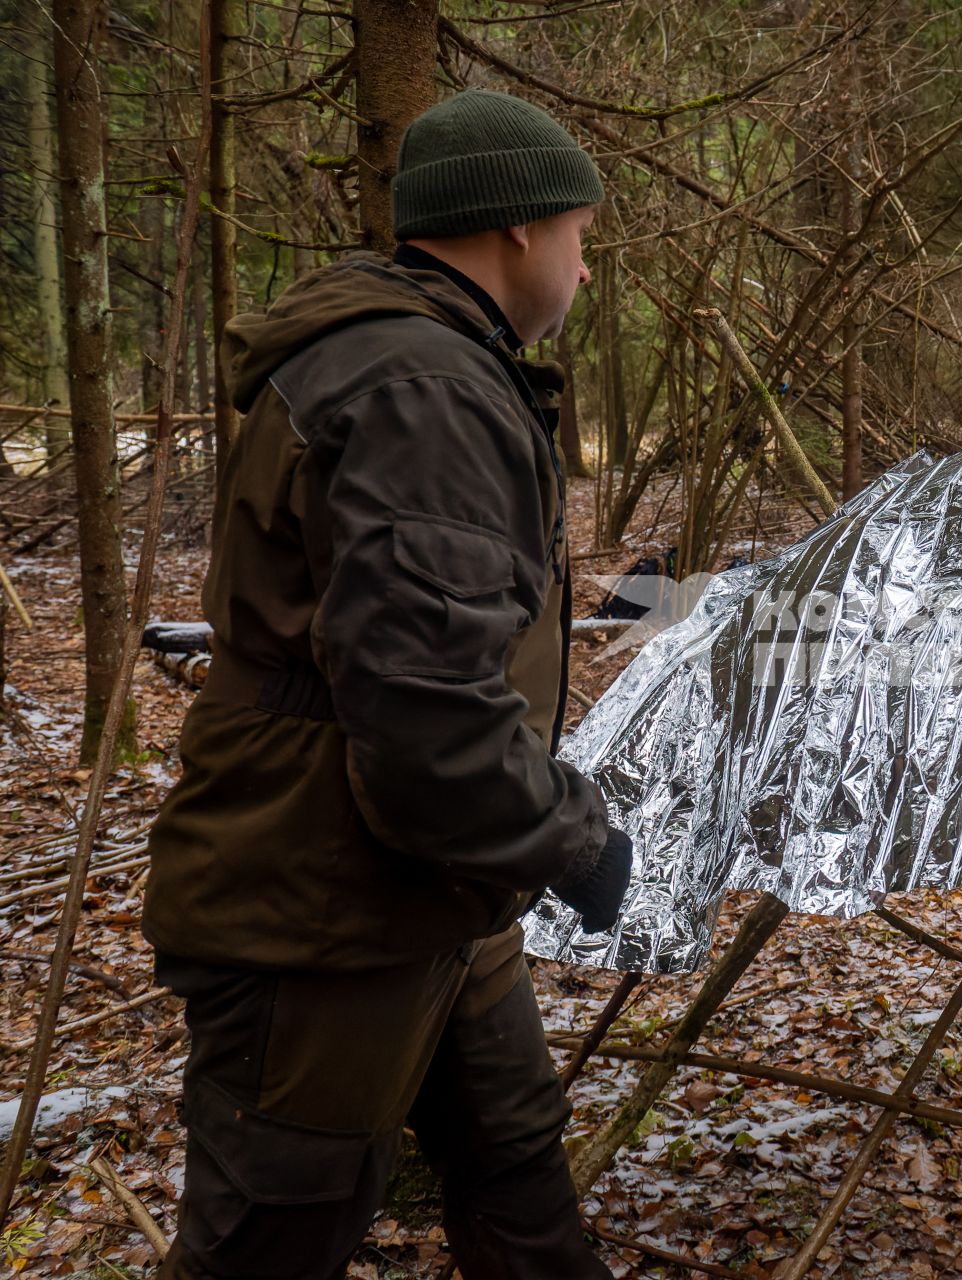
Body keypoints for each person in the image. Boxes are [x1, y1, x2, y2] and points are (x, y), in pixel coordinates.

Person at [142, 89, 633, 1278]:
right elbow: (426, 721)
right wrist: (571, 835)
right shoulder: (424, 390)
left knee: (516, 1171)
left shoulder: (417, 362)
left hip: (427, 894)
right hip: (323, 910)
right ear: (515, 228)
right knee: (273, 1232)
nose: (583, 260)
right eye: (578, 231)